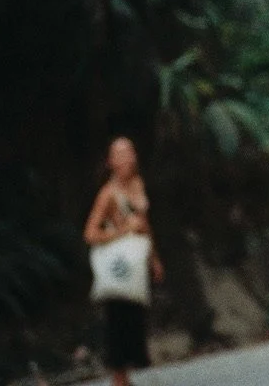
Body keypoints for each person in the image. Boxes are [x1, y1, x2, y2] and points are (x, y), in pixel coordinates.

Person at [83, 137, 165, 386]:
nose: (127, 158)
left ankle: (125, 379)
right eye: (120, 154)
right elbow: (90, 233)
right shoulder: (108, 193)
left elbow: (145, 225)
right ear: (111, 162)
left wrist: (154, 258)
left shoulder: (138, 185)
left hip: (136, 264)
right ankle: (118, 379)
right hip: (119, 266)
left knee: (134, 320)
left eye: (129, 152)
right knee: (117, 322)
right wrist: (122, 231)